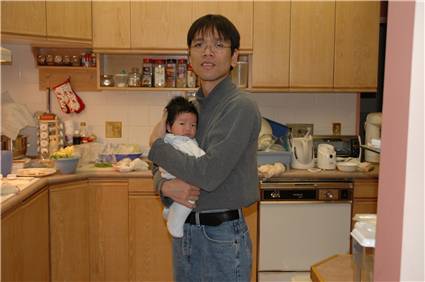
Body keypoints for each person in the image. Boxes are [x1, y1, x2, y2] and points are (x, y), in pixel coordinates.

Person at [149, 14, 261, 282]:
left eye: (219, 45)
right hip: (184, 230)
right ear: (189, 57)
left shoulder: (240, 105)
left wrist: (154, 145)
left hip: (221, 234)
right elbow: (160, 164)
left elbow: (208, 173)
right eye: (199, 44)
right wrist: (162, 186)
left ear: (234, 57)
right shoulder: (189, 108)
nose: (208, 52)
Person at [159, 96, 205, 238]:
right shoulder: (178, 141)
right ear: (168, 126)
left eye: (193, 125)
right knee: (190, 197)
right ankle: (175, 223)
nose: (188, 129)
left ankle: (169, 208)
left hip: (176, 173)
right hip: (175, 174)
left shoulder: (179, 140)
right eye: (182, 123)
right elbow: (198, 159)